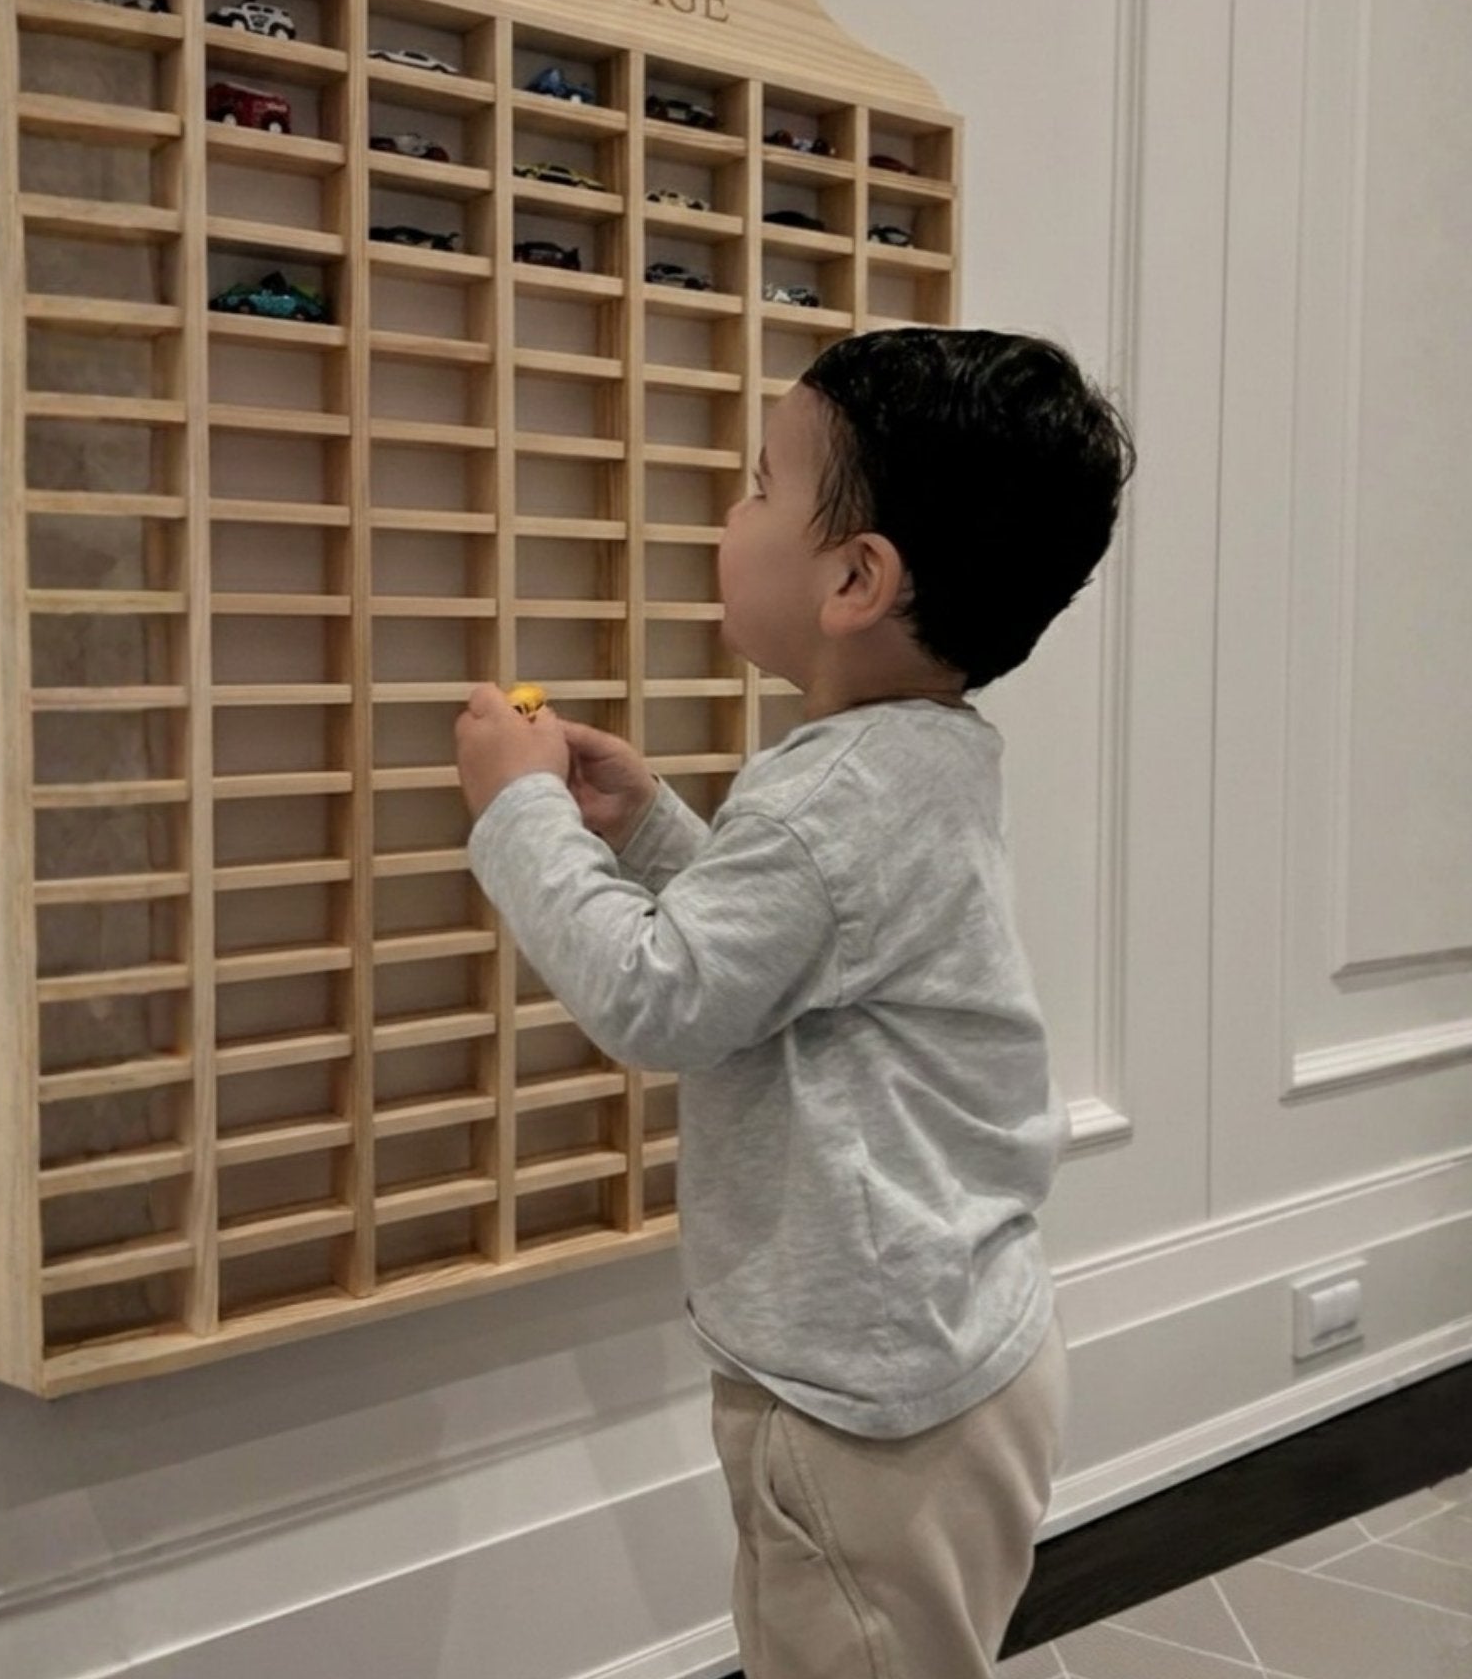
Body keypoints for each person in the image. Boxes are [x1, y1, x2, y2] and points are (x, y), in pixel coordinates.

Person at [455, 326, 1135, 1679]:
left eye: (762, 482)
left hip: (863, 1409)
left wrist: (518, 808)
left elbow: (661, 999)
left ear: (854, 577)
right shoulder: (916, 761)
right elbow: (792, 958)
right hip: (943, 1353)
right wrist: (648, 828)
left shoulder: (829, 796)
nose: (731, 508)